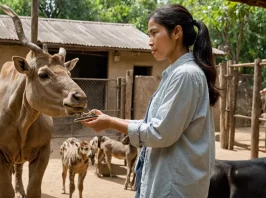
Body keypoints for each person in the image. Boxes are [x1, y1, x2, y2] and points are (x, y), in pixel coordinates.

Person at [81, 4, 219, 198]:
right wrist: (109, 119)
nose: (149, 41)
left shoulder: (185, 75)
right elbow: (155, 126)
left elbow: (159, 133)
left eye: (154, 33)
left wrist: (111, 123)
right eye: (149, 34)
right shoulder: (177, 74)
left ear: (176, 32)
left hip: (174, 187)